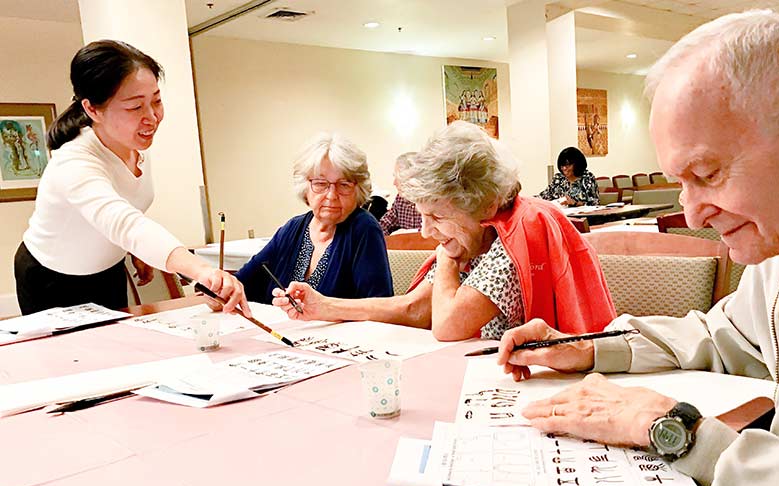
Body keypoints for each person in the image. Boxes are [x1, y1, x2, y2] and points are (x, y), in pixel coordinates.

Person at [498, 10, 779, 486]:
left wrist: (669, 427)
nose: (688, 213)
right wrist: (590, 346)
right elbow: (722, 334)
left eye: (707, 174)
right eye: (679, 181)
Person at [273, 120, 616, 341]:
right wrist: (324, 307)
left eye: (436, 217)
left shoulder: (517, 232)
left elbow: (447, 324)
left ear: (480, 204)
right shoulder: (472, 235)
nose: (425, 231)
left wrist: (444, 255)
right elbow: (415, 309)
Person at [14, 40, 248, 315]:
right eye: (135, 108)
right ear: (92, 109)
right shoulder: (74, 161)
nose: (152, 117)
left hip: (107, 270)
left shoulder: (135, 146)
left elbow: (126, 211)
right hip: (52, 277)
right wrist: (202, 271)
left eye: (157, 101)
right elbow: (124, 223)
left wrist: (134, 250)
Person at [235, 132, 392, 304]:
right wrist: (226, 291)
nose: (332, 195)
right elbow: (243, 283)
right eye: (320, 183)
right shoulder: (292, 228)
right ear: (305, 187)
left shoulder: (364, 228)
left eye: (344, 184)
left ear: (358, 190)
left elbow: (379, 307)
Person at [379, 152, 422, 235]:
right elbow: (384, 225)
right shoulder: (400, 199)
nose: (394, 183)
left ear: (411, 178)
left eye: (397, 178)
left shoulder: (432, 200)